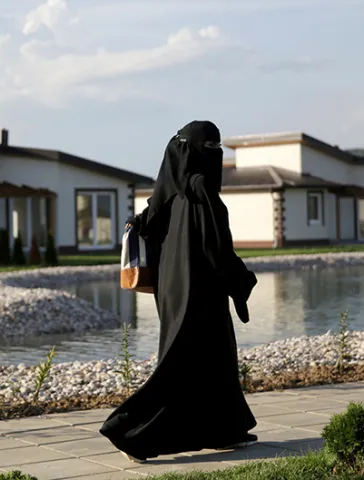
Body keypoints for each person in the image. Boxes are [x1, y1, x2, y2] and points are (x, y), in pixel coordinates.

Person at [100, 120, 258, 463]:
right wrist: (242, 280)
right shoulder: (201, 193)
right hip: (199, 293)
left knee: (209, 359)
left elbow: (149, 222)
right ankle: (131, 432)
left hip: (173, 290)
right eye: (211, 149)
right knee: (186, 362)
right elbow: (218, 252)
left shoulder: (166, 196)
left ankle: (227, 429)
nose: (214, 155)